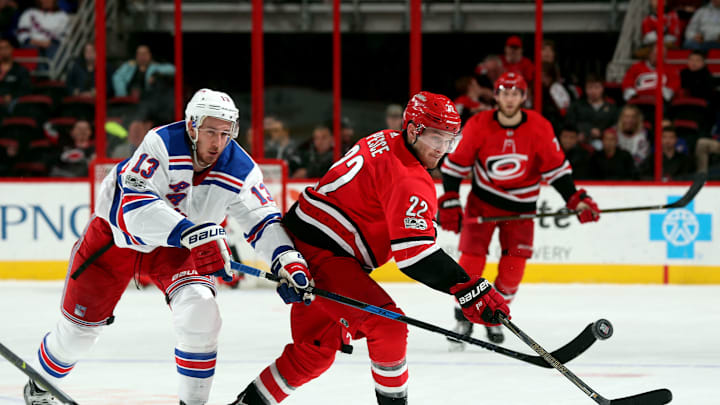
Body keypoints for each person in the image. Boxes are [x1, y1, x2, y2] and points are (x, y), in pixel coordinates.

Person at [22, 88, 313, 405]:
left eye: (225, 133)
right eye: (210, 131)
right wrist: (194, 232)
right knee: (75, 338)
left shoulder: (240, 168)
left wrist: (289, 261)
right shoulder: (161, 143)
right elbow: (134, 207)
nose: (218, 142)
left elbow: (264, 220)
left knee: (201, 311)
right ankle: (39, 386)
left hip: (176, 251)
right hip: (114, 241)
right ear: (192, 126)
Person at [229, 92, 510, 405]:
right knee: (388, 327)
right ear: (414, 129)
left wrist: (422, 220)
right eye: (436, 138)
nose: (442, 149)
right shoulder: (411, 178)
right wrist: (468, 287)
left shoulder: (386, 138)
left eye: (449, 140)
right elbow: (414, 257)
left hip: (304, 243)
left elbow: (378, 203)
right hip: (324, 254)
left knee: (313, 353)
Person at [438, 72, 600, 347]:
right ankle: (464, 316)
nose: (509, 98)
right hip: (483, 203)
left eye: (515, 93)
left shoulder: (539, 127)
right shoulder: (478, 124)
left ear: (523, 97)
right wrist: (451, 198)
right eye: (504, 92)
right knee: (470, 264)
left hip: (522, 209)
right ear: (496, 96)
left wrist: (575, 199)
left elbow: (556, 170)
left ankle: (493, 315)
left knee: (513, 271)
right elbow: (454, 166)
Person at [566, 74, 619, 149]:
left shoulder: (611, 107)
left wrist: (602, 133)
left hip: (604, 144)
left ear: (602, 88)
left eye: (597, 87)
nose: (593, 91)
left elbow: (615, 126)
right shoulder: (577, 106)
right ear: (585, 89)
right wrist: (588, 130)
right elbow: (570, 123)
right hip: (580, 144)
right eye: (590, 87)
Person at [16, 0, 69, 66]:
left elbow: (64, 35)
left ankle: (52, 75)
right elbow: (21, 32)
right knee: (29, 50)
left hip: (52, 44)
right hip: (31, 43)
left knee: (56, 51)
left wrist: (50, 42)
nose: (46, 1)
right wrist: (33, 41)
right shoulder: (29, 13)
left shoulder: (62, 16)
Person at [0, 38, 31, 107]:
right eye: (1, 48)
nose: (3, 51)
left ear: (11, 48)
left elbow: (26, 88)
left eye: (6, 47)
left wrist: (11, 96)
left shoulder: (21, 70)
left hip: (14, 103)